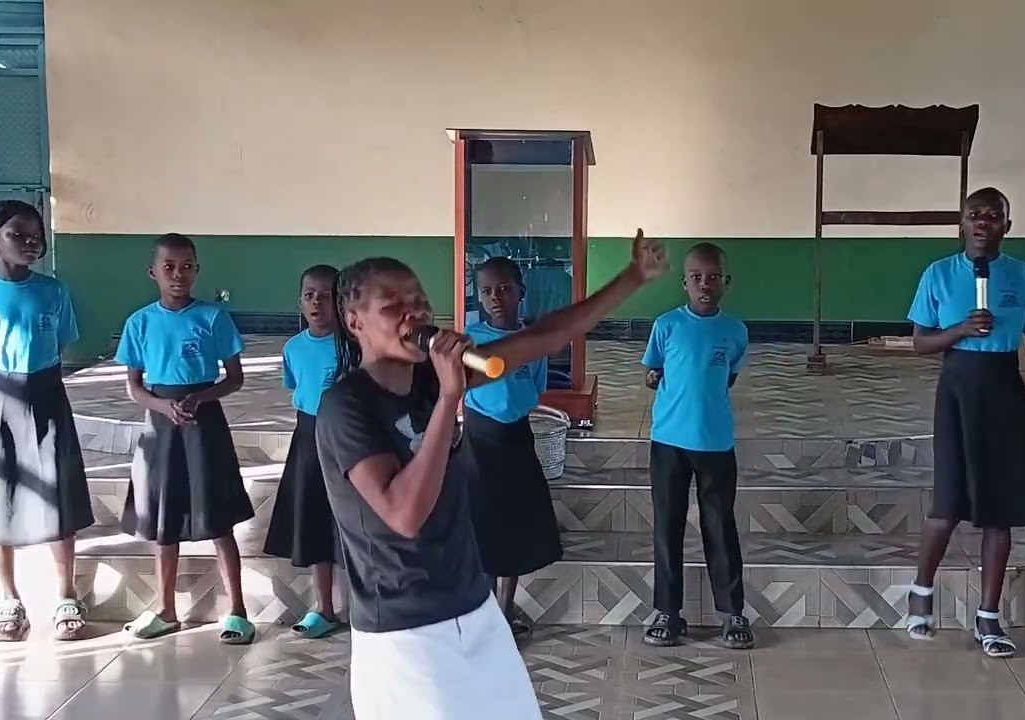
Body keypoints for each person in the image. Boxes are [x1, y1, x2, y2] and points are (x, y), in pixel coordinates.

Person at [315, 231, 665, 720]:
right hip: (404, 631)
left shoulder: (428, 377)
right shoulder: (345, 407)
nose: (415, 315)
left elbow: (543, 336)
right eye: (394, 305)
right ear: (354, 321)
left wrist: (632, 279)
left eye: (420, 301)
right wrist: (448, 400)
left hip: (473, 607)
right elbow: (404, 513)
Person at [904, 187, 1025, 658]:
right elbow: (920, 343)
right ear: (961, 224)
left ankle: (989, 616)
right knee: (947, 502)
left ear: (1006, 225)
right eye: (974, 215)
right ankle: (921, 589)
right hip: (958, 388)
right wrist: (960, 329)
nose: (983, 222)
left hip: (1004, 390)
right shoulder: (939, 274)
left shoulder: (1023, 276)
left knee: (999, 509)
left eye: (993, 216)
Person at [116, 233, 256, 644]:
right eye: (170, 267)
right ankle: (165, 608)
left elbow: (235, 377)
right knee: (164, 518)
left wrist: (201, 397)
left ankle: (238, 610)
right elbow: (134, 386)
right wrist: (163, 407)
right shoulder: (139, 322)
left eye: (188, 266)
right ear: (153, 272)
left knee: (218, 517)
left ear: (198, 270)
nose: (179, 275)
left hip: (204, 424)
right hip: (160, 428)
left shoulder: (212, 318)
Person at [0, 200, 93, 642]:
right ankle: (9, 599)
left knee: (56, 496)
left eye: (35, 234)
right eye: (15, 233)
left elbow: (60, 345)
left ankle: (66, 594)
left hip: (46, 398)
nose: (29, 241)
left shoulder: (54, 291)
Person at [641, 242, 752, 650]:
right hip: (668, 441)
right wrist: (656, 380)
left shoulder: (735, 331)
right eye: (697, 277)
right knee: (667, 526)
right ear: (684, 281)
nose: (705, 284)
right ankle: (668, 611)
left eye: (714, 277)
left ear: (726, 281)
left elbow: (727, 378)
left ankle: (732, 612)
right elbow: (653, 370)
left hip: (716, 444)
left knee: (720, 526)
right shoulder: (666, 326)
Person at [463, 256, 561, 642]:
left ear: (521, 291)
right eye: (486, 291)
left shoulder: (532, 342)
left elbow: (533, 387)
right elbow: (472, 379)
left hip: (517, 438)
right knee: (484, 524)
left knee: (515, 522)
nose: (495, 297)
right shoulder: (469, 340)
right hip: (480, 441)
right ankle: (483, 609)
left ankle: (506, 607)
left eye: (504, 288)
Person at [262, 264, 342, 639]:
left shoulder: (353, 348)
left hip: (348, 439)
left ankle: (372, 601)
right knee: (314, 519)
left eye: (326, 295)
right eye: (310, 295)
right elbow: (296, 387)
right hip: (309, 438)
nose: (317, 302)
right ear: (299, 301)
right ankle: (324, 606)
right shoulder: (293, 348)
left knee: (356, 520)